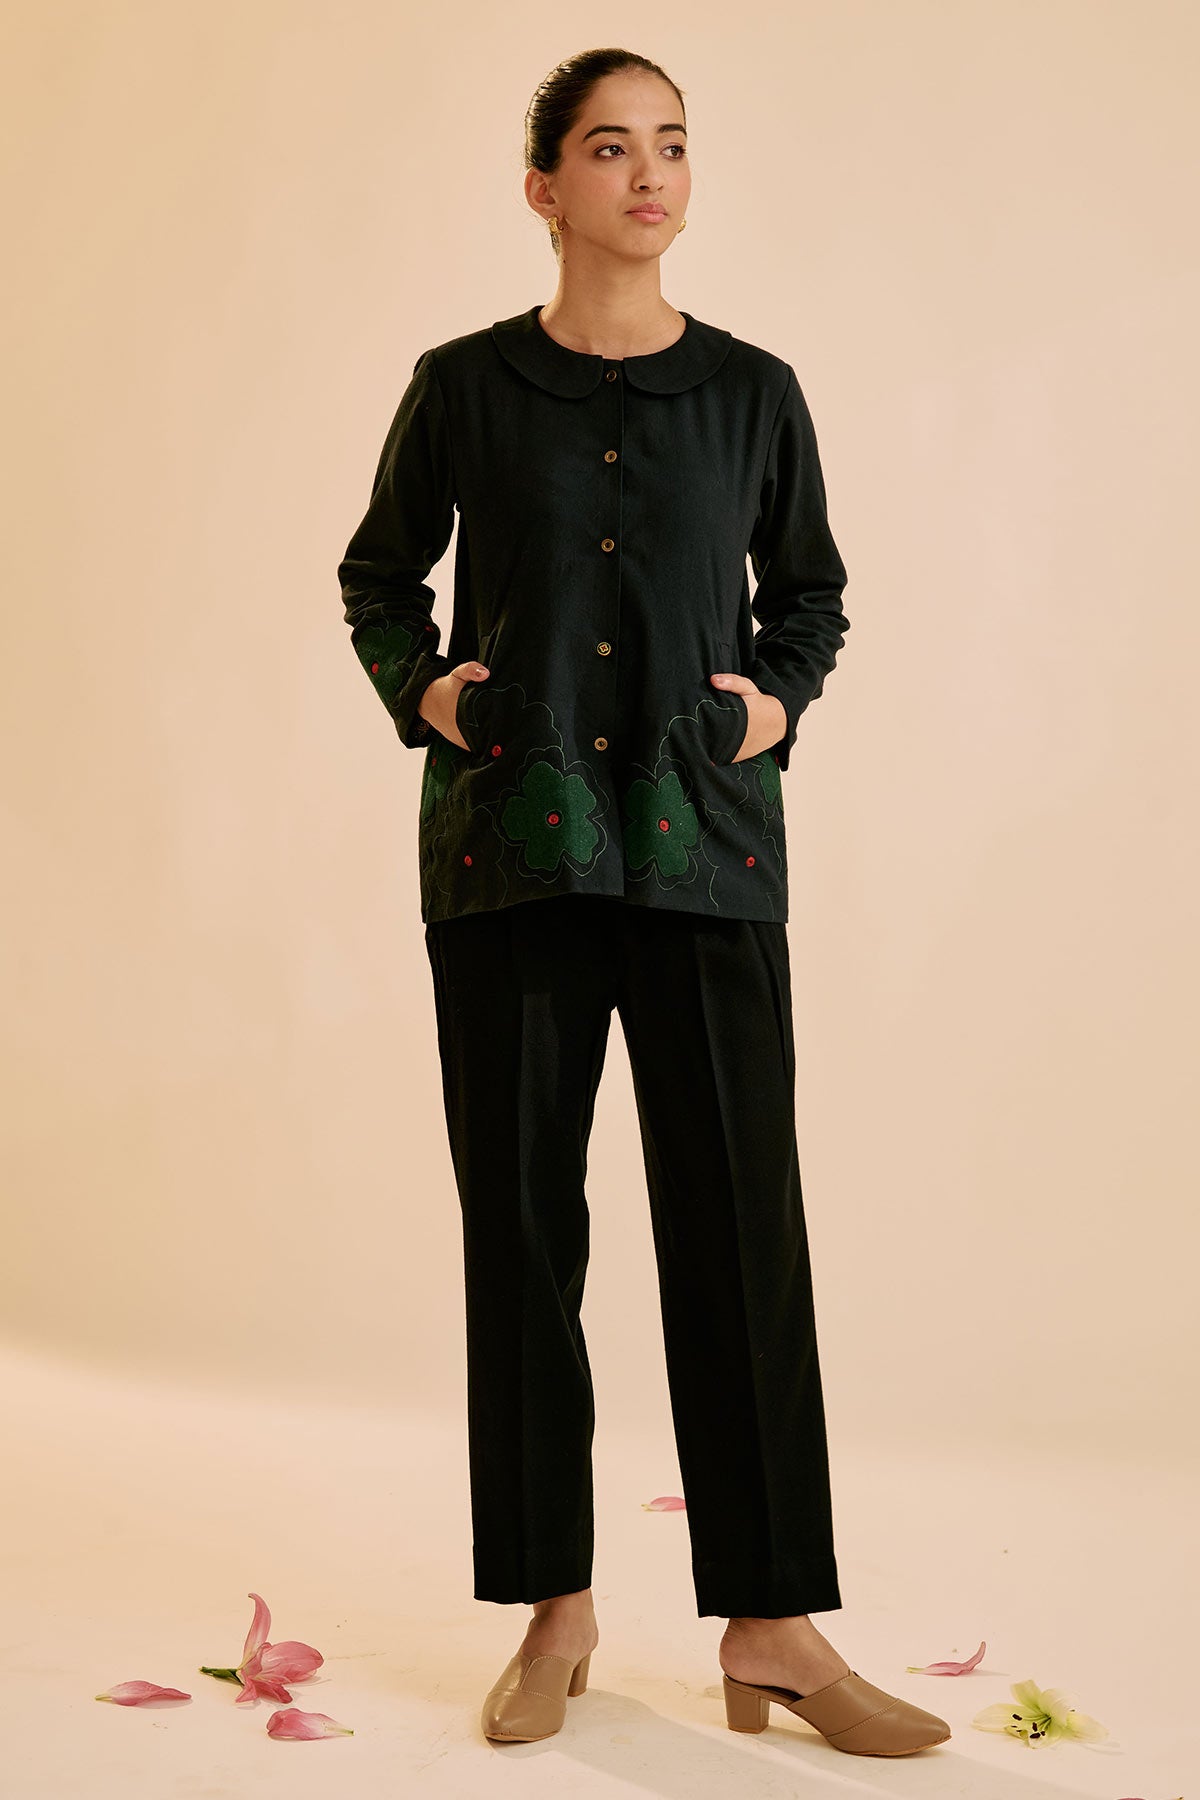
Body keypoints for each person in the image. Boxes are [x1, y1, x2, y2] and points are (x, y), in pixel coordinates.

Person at [336, 46, 951, 1759]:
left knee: (743, 1235)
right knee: (526, 1234)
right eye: (610, 148)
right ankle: (555, 1611)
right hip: (513, 856)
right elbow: (379, 575)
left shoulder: (754, 392)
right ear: (545, 187)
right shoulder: (464, 388)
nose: (650, 174)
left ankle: (775, 1627)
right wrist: (430, 693)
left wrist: (771, 706)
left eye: (671, 144)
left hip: (706, 858)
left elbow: (810, 594)